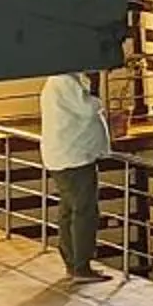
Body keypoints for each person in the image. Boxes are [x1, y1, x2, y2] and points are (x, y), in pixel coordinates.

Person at [38, 71, 113, 283]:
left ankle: (73, 262)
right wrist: (97, 86)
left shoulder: (59, 81)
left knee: (69, 209)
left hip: (65, 156)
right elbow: (89, 109)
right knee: (84, 211)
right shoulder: (64, 81)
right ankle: (81, 265)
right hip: (74, 158)